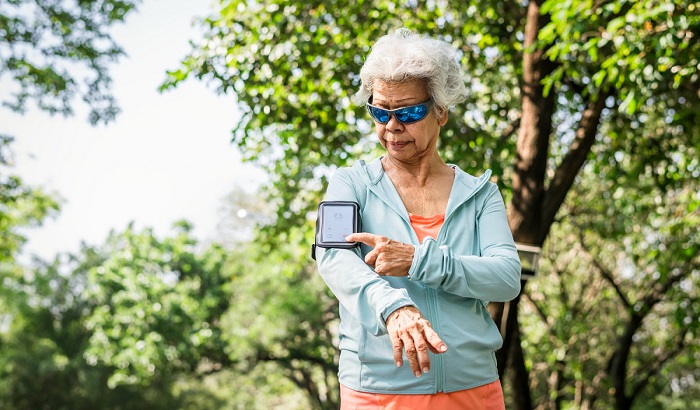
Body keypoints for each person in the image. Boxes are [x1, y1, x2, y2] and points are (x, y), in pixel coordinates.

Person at [315, 28, 522, 409]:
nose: (392, 126)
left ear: (440, 111)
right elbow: (333, 258)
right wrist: (392, 306)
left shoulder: (480, 194)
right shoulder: (349, 184)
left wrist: (418, 260)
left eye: (408, 112)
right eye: (380, 111)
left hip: (473, 389)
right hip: (377, 392)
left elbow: (506, 278)